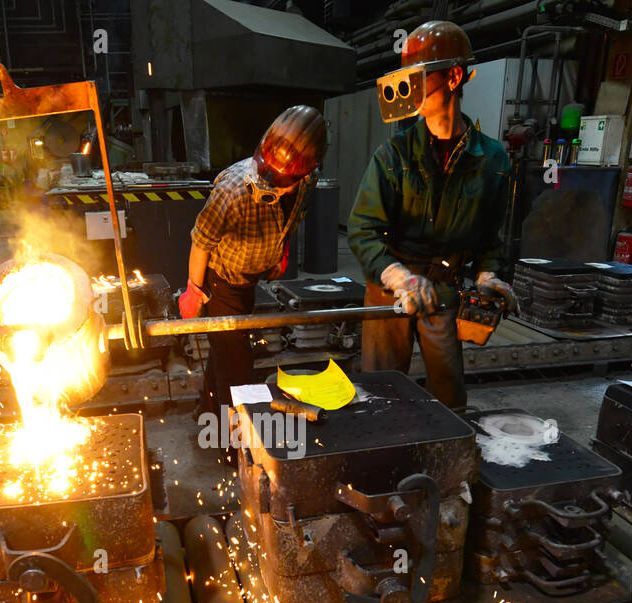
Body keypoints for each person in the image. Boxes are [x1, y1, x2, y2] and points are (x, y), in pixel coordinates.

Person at [348, 20, 517, 409]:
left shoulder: (493, 161)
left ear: (454, 76)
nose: (409, 91)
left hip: (443, 288)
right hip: (390, 287)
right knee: (380, 391)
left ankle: (448, 463)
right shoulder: (393, 156)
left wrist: (488, 274)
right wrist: (399, 277)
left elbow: (492, 237)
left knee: (449, 394)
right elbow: (362, 230)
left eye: (420, 78)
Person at [179, 105, 328, 415]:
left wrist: (280, 253)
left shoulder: (307, 179)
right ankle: (232, 445)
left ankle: (205, 410)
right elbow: (201, 241)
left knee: (225, 353)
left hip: (248, 281)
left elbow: (292, 216)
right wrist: (194, 291)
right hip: (220, 282)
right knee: (238, 372)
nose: (271, 185)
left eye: (282, 182)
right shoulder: (233, 190)